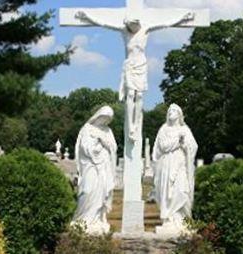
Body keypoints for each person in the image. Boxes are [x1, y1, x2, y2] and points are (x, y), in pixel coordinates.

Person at [75, 11, 194, 141]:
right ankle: (131, 126)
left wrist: (182, 19)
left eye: (135, 25)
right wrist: (87, 17)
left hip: (141, 65)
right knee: (131, 94)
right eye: (131, 25)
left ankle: (136, 124)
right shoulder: (124, 32)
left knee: (140, 95)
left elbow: (166, 24)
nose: (133, 28)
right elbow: (104, 23)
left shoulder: (145, 29)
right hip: (130, 66)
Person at [71, 106, 118, 234]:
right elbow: (84, 147)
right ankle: (82, 219)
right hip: (90, 166)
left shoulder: (108, 131)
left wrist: (103, 141)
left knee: (101, 193)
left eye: (107, 119)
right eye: (103, 117)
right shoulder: (87, 129)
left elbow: (113, 147)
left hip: (104, 167)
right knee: (88, 190)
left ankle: (97, 219)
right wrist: (96, 148)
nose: (104, 121)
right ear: (98, 116)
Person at [152, 104, 198, 233]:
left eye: (174, 110)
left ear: (179, 114)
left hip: (181, 164)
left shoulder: (185, 129)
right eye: (169, 110)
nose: (171, 112)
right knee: (168, 192)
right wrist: (178, 140)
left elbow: (193, 146)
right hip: (167, 164)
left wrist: (185, 144)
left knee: (182, 190)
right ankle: (169, 220)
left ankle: (182, 220)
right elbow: (163, 146)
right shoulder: (164, 129)